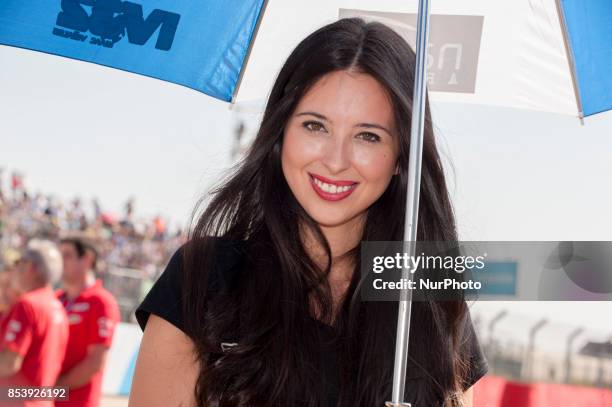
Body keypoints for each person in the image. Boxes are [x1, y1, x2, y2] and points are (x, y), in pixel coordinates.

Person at [130, 18, 489, 407]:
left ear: (402, 157)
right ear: (281, 132)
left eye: (368, 136)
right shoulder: (203, 278)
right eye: (315, 126)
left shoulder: (430, 306)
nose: (335, 161)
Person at [0, 239, 68, 407]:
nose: (16, 269)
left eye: (20, 262)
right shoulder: (57, 306)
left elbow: (9, 364)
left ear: (30, 267)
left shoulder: (28, 304)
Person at [55, 236, 120, 407]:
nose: (60, 262)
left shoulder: (101, 302)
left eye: (67, 256)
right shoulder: (55, 299)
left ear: (87, 259)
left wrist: (52, 391)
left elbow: (95, 362)